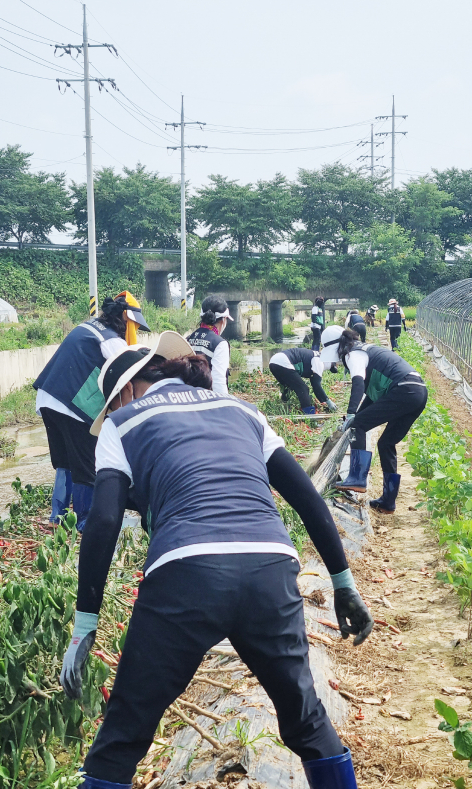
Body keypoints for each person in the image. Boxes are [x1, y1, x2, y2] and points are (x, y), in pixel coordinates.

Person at [60, 332, 373, 789]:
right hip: (270, 566)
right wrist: (343, 583)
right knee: (305, 720)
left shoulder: (122, 422)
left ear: (124, 392)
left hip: (186, 571)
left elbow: (104, 520)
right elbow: (307, 497)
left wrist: (85, 625)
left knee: (124, 735)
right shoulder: (243, 411)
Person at [33, 293, 149, 530]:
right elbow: (126, 380)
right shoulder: (112, 342)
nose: (134, 331)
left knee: (65, 462)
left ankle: (58, 517)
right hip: (71, 407)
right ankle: (83, 521)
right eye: (135, 326)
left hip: (47, 398)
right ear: (126, 319)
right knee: (86, 464)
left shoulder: (87, 326)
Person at [320, 325, 427, 514]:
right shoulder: (365, 351)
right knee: (386, 442)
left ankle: (357, 477)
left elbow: (358, 383)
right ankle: (388, 502)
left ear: (338, 347)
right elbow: (371, 396)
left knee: (358, 425)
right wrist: (355, 416)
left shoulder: (353, 355)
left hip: (404, 389)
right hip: (417, 391)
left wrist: (353, 415)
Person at [269, 347, 337, 415]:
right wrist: (328, 401)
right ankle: (310, 416)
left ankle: (284, 406)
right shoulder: (319, 361)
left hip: (273, 362)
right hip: (283, 362)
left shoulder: (315, 355)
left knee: (289, 385)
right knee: (303, 389)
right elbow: (317, 386)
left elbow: (314, 385)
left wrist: (323, 401)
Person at [187, 294, 232, 395]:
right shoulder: (220, 344)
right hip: (207, 401)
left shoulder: (188, 339)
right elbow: (218, 382)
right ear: (224, 320)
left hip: (188, 399)